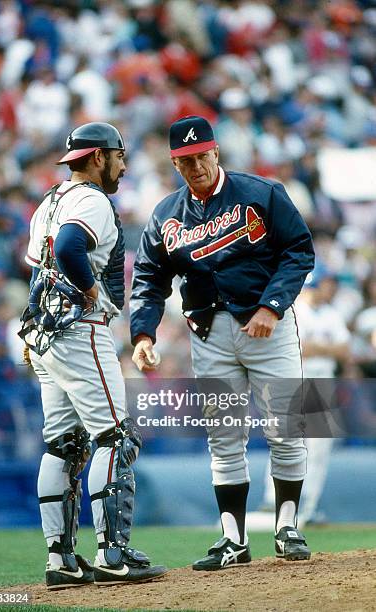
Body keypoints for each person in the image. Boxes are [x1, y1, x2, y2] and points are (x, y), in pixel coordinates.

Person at [130, 115, 315, 569]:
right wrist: (143, 332)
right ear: (174, 165)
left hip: (267, 328)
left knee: (286, 429)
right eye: (184, 161)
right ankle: (233, 539)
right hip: (209, 334)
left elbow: (300, 251)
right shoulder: (167, 213)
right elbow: (150, 277)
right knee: (224, 437)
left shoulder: (262, 193)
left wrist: (272, 305)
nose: (195, 167)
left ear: (216, 152)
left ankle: (287, 526)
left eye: (200, 157)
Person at [22, 122, 167, 589]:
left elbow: (39, 267)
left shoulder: (50, 200)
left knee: (62, 443)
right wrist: (89, 290)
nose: (123, 166)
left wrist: (31, 332)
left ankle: (60, 560)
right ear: (99, 157)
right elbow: (68, 247)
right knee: (115, 435)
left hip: (45, 332)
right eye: (119, 156)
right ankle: (113, 553)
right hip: (77, 328)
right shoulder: (92, 200)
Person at [260, 264, 350, 525]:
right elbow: (304, 349)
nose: (330, 287)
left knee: (319, 447)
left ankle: (309, 504)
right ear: (314, 283)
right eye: (326, 282)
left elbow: (345, 351)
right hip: (295, 379)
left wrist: (321, 348)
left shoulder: (331, 313)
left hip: (322, 380)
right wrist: (328, 348)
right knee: (285, 440)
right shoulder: (294, 309)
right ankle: (271, 499)